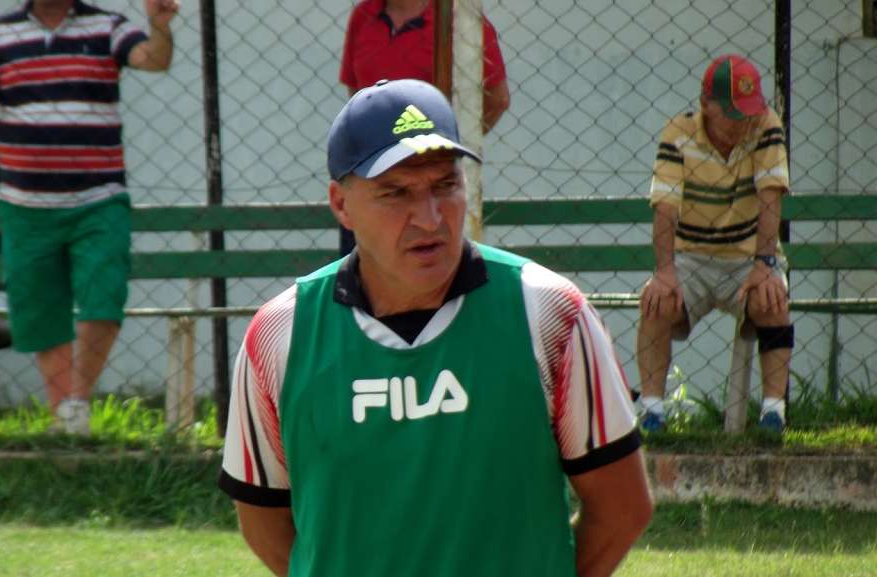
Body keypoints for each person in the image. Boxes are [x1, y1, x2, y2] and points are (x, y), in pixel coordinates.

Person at [219, 79, 651, 577]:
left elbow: (622, 509)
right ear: (340, 204)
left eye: (445, 185)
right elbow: (262, 522)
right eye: (395, 193)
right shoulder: (279, 335)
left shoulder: (550, 313)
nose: (429, 218)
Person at [0, 0, 179, 435]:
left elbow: (154, 58)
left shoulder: (108, 26)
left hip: (99, 199)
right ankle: (66, 416)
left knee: (103, 295)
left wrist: (159, 27)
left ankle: (76, 402)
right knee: (41, 309)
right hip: (24, 205)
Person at [637, 54, 793, 433]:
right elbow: (665, 208)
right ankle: (652, 411)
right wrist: (666, 272)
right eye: (733, 113)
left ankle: (774, 412)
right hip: (690, 256)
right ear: (706, 104)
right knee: (656, 301)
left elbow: (772, 197)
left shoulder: (766, 126)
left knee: (772, 298)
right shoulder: (678, 133)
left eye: (749, 111)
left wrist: (764, 265)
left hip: (748, 255)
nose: (744, 122)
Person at [337, 0, 511, 255]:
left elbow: (497, 99)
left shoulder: (462, 22)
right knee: (363, 271)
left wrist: (440, 151)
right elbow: (357, 95)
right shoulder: (364, 15)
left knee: (428, 266)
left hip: (426, 178)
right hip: (371, 174)